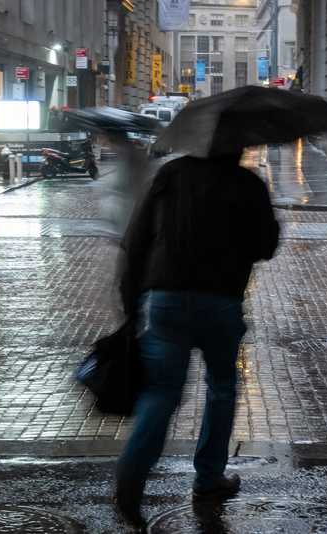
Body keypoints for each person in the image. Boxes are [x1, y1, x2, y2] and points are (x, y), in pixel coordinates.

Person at [114, 151, 280, 530]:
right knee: (221, 387)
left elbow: (136, 237)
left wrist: (130, 302)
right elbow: (266, 246)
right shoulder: (247, 183)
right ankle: (208, 481)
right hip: (221, 300)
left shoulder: (171, 173)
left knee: (161, 390)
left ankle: (132, 471)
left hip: (167, 299)